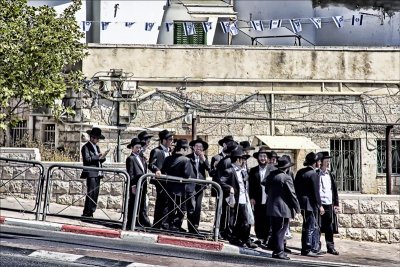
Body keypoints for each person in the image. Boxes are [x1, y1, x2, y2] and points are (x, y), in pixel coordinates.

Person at [220, 147, 258, 248]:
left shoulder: (242, 171)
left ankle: (245, 238)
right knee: (237, 221)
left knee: (246, 221)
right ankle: (236, 238)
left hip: (244, 199)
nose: (244, 161)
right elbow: (221, 182)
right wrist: (229, 188)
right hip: (236, 200)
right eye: (243, 159)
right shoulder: (229, 171)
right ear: (238, 159)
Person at [265, 156, 300, 260]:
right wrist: (297, 208)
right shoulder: (286, 178)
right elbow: (292, 194)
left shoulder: (272, 175)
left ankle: (276, 251)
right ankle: (279, 251)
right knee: (281, 230)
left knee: (276, 230)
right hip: (283, 209)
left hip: (272, 207)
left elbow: (266, 189)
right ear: (287, 167)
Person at [161, 139, 195, 231]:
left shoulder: (168, 158)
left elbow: (163, 170)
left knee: (170, 207)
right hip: (180, 189)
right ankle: (175, 226)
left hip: (168, 187)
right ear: (184, 149)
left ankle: (168, 225)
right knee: (181, 209)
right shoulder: (186, 160)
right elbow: (187, 175)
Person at [294, 152, 323, 257]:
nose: (319, 163)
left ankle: (308, 247)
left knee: (307, 226)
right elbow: (316, 192)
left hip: (302, 203)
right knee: (309, 227)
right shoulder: (313, 174)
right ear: (315, 163)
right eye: (318, 161)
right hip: (309, 204)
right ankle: (307, 248)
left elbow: (295, 187)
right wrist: (320, 205)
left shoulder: (300, 172)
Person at [81, 127, 109, 218]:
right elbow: (87, 159)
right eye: (96, 138)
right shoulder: (86, 147)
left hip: (97, 172)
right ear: (92, 137)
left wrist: (102, 157)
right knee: (91, 192)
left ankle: (91, 211)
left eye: (98, 139)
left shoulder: (96, 147)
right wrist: (97, 156)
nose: (97, 140)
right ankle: (87, 212)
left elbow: (98, 160)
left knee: (95, 193)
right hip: (91, 172)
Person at [149, 129, 174, 229]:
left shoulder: (171, 152)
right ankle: (157, 224)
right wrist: (157, 170)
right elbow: (151, 164)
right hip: (161, 180)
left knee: (168, 203)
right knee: (161, 202)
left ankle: (165, 224)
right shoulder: (156, 151)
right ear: (163, 140)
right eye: (170, 139)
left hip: (170, 180)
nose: (172, 141)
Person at [317, 151, 340, 255]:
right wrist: (318, 204)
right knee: (318, 226)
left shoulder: (330, 174)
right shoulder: (317, 174)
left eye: (328, 160)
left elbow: (334, 190)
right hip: (319, 204)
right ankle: (317, 245)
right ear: (321, 162)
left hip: (329, 204)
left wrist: (336, 204)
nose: (328, 162)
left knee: (329, 227)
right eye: (326, 160)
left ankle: (330, 246)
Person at [186, 137, 210, 234]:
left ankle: (195, 227)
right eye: (196, 146)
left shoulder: (204, 159)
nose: (198, 148)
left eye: (200, 147)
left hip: (200, 185)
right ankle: (190, 227)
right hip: (191, 185)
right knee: (191, 207)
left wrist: (203, 159)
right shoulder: (188, 157)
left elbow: (209, 168)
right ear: (193, 147)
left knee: (198, 207)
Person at [126, 138, 151, 229]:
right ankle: (131, 222)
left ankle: (140, 221)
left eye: (140, 147)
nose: (138, 149)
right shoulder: (130, 158)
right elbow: (131, 173)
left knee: (142, 202)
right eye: (136, 147)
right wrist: (133, 185)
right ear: (132, 148)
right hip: (135, 184)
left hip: (142, 184)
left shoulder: (141, 158)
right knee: (133, 202)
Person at [248, 146, 271, 246]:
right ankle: (260, 237)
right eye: (261, 156)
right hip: (257, 198)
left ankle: (267, 238)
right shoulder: (253, 170)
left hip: (269, 199)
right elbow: (251, 185)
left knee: (268, 219)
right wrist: (252, 197)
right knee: (258, 218)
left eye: (264, 156)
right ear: (258, 158)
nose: (262, 158)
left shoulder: (272, 170)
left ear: (268, 158)